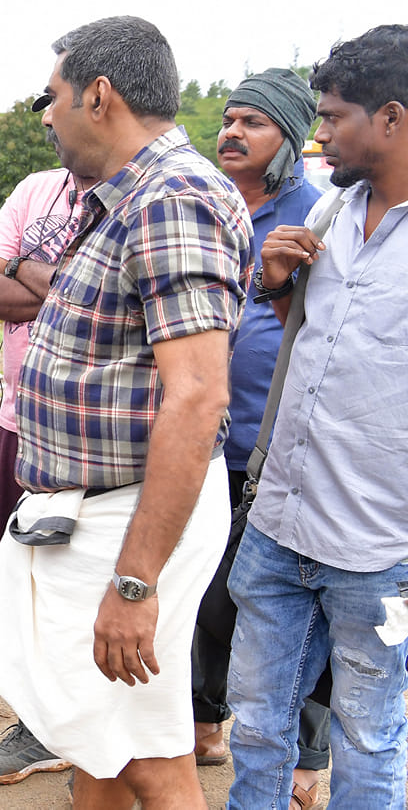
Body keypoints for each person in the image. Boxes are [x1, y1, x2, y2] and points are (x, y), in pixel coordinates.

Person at [0, 17, 252, 808]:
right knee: (99, 743)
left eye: (54, 94)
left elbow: (198, 395)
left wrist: (134, 583)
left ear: (98, 95)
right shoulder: (127, 197)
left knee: (145, 755)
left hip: (126, 522)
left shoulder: (173, 198)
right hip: (100, 511)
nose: (45, 113)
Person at [227, 24, 408, 810]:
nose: (320, 132)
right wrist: (271, 282)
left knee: (368, 738)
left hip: (382, 548)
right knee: (258, 723)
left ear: (393, 119)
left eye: (334, 117)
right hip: (280, 524)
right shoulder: (333, 214)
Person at [190, 69, 328, 804]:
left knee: (295, 600)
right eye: (228, 119)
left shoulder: (322, 214)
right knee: (210, 591)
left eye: (253, 122)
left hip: (286, 446)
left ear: (293, 136)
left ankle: (305, 762)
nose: (232, 133)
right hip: (211, 439)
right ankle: (205, 723)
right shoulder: (213, 206)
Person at [0, 144, 91, 784]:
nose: (47, 118)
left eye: (58, 99)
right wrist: (63, 287)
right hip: (20, 420)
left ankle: (75, 730)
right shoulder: (38, 188)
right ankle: (46, 722)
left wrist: (24, 267)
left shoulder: (141, 195)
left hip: (91, 433)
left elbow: (106, 310)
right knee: (25, 572)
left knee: (81, 577)